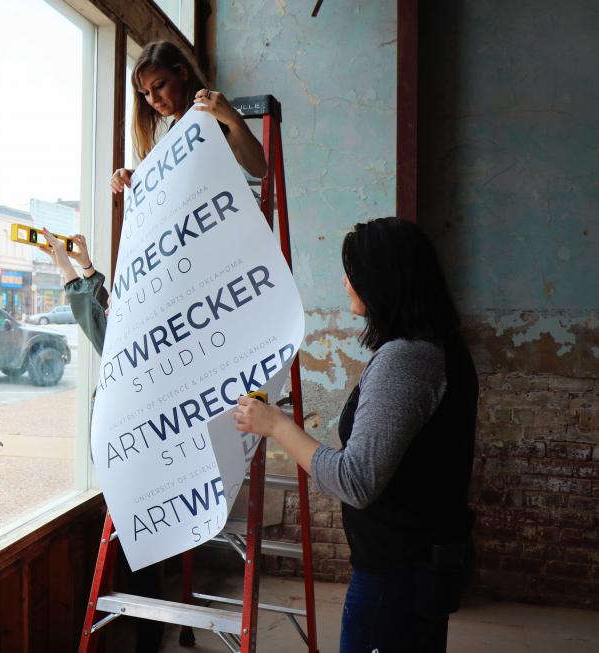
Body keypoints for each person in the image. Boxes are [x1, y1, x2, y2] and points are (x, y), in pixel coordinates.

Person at [233, 217, 478, 652]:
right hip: (419, 565)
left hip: (398, 575)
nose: (346, 281)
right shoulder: (440, 346)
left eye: (355, 271)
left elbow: (355, 481)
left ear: (385, 280)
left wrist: (276, 426)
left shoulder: (406, 360)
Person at [110, 40, 268, 194]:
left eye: (159, 86)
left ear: (183, 73)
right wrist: (135, 177)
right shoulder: (174, 131)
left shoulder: (209, 118)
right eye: (145, 93)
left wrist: (233, 119)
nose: (153, 99)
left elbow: (259, 169)